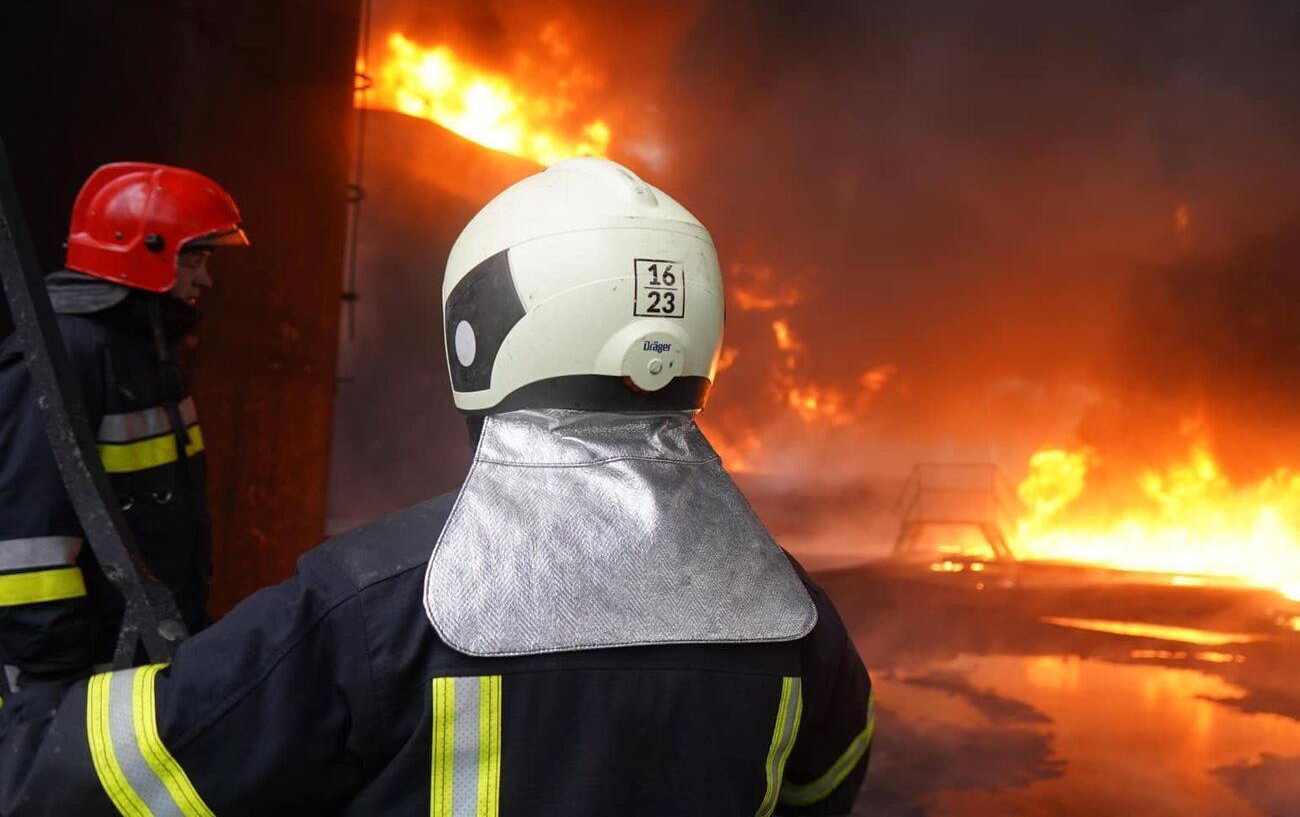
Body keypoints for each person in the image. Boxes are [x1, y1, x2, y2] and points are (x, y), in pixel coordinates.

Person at [0, 157, 872, 816]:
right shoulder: (794, 617)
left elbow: (106, 774)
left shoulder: (368, 613)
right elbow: (827, 786)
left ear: (477, 335)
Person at [0, 162, 247, 696]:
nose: (205, 278)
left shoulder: (145, 352)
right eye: (196, 258)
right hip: (75, 679)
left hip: (135, 664)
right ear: (148, 251)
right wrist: (53, 686)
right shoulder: (65, 354)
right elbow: (25, 547)